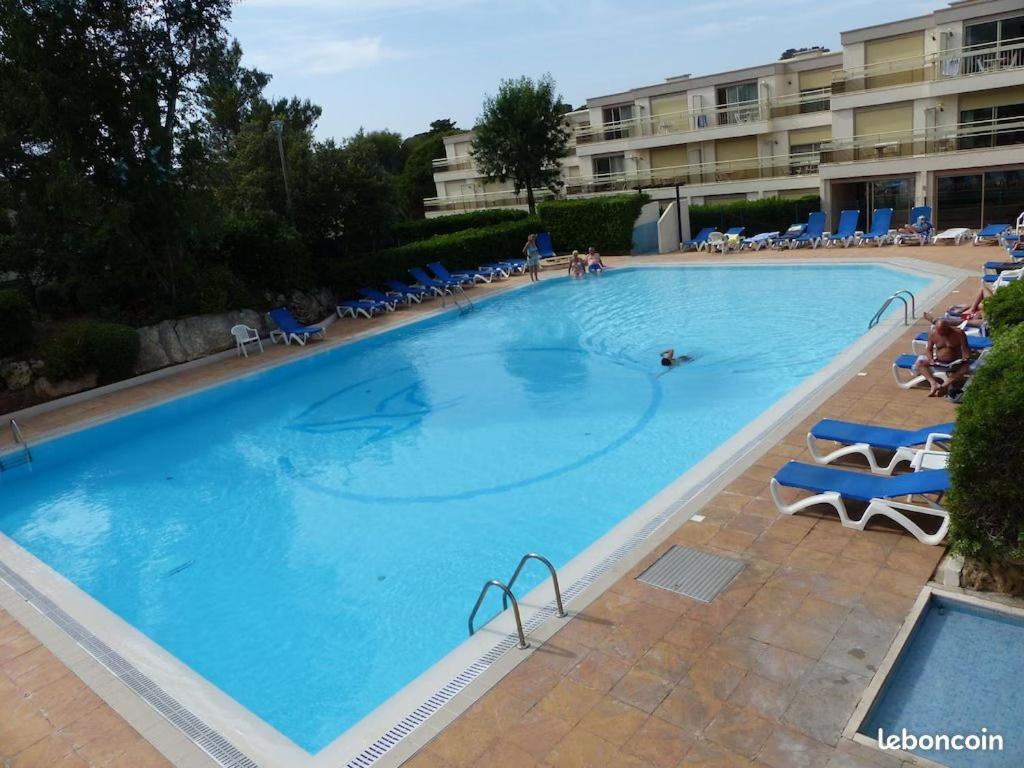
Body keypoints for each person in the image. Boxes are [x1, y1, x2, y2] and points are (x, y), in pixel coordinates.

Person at [913, 318, 971, 397]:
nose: (942, 333)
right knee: (919, 363)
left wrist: (965, 358)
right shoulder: (933, 334)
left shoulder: (959, 333)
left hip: (955, 362)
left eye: (944, 331)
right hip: (939, 362)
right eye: (940, 331)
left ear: (948, 327)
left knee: (965, 367)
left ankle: (945, 385)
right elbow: (929, 350)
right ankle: (933, 383)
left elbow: (966, 349)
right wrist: (930, 359)